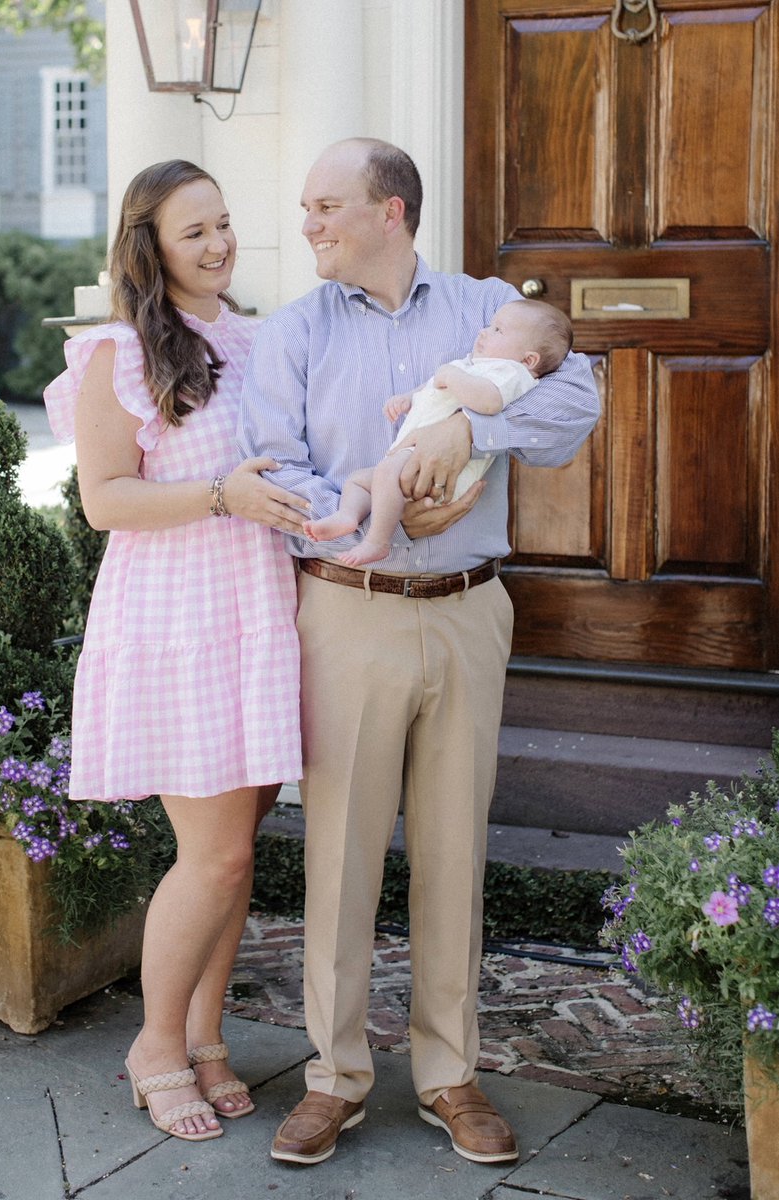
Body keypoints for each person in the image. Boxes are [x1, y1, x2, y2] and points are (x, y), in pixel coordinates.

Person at [238, 137, 600, 1167]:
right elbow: (275, 466)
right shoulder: (293, 329)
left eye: (326, 205)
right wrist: (394, 492)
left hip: (470, 612)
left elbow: (578, 403)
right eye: (304, 206)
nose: (308, 223)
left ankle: (450, 1075)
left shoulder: (485, 308)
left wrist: (466, 441)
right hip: (347, 608)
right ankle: (333, 1078)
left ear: (390, 210)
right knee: (340, 856)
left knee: (453, 853)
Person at [43, 160, 309, 1145]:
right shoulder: (114, 352)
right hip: (177, 620)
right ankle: (154, 1045)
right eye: (195, 230)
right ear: (148, 243)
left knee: (239, 859)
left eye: (226, 224)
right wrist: (219, 497)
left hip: (257, 612)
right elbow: (104, 500)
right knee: (214, 852)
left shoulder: (256, 338)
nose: (219, 243)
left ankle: (204, 1042)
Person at [304, 299, 573, 565]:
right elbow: (434, 387)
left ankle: (377, 541)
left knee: (385, 473)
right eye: (490, 326)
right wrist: (409, 398)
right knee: (358, 480)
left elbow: (489, 402)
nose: (483, 332)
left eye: (498, 331)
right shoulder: (476, 365)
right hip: (414, 457)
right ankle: (348, 516)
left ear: (529, 359)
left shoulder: (511, 372)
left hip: (439, 470)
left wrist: (450, 376)